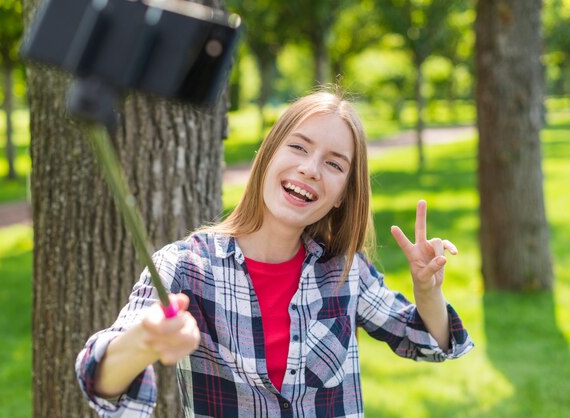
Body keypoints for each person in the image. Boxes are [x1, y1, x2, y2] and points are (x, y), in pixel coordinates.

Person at [75, 89, 474, 417]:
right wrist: (144, 341)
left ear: (341, 197)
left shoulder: (344, 271)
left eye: (334, 165)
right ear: (267, 157)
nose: (311, 169)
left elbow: (429, 342)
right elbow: (101, 380)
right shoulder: (185, 267)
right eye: (299, 147)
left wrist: (426, 289)